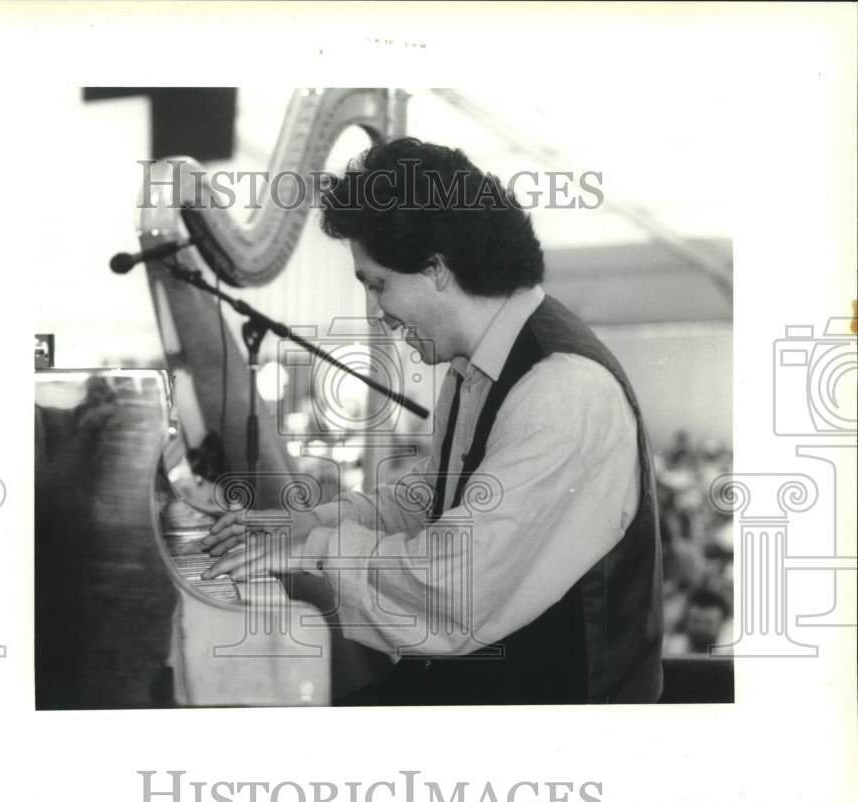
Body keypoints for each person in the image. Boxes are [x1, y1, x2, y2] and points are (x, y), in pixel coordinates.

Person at [202, 138, 663, 705]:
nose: (375, 312)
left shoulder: (562, 391)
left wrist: (315, 549)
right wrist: (296, 526)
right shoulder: (480, 364)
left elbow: (457, 584)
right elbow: (426, 501)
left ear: (436, 269)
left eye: (377, 285)